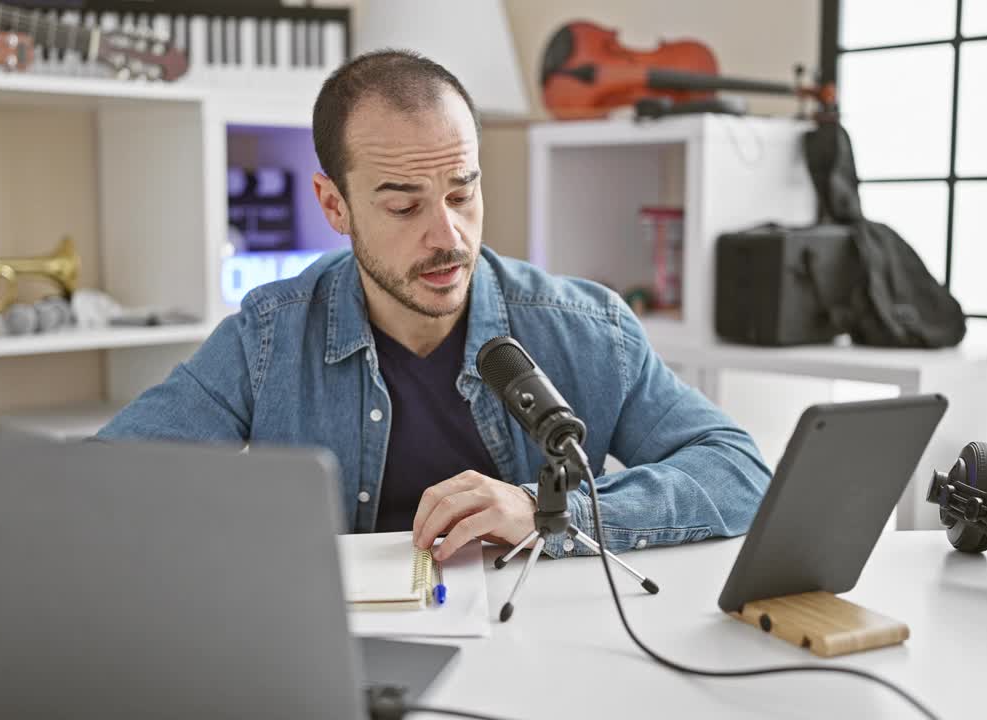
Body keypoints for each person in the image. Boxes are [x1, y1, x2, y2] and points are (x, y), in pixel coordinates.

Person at [98, 50, 770, 562]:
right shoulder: (270, 336)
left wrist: (547, 512)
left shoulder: (584, 327)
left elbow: (739, 472)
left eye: (461, 192)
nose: (447, 235)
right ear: (335, 205)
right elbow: (101, 483)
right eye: (403, 205)